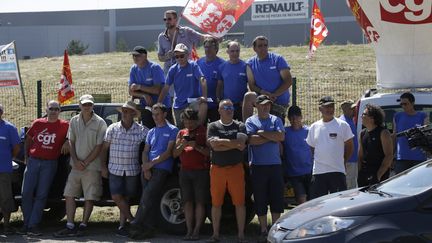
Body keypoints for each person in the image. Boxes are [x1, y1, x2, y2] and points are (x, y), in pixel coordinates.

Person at [54, 94, 107, 238]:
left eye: (89, 104)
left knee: (89, 197)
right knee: (69, 194)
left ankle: (83, 225)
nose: (87, 107)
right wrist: (76, 160)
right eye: (84, 104)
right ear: (80, 105)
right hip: (76, 166)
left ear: (93, 106)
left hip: (92, 167)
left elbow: (99, 146)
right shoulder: (74, 120)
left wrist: (85, 162)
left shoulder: (100, 122)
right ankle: (70, 225)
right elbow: (71, 141)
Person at [128, 103, 178, 240]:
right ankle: (149, 228)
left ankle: (136, 223)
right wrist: (145, 166)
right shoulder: (151, 132)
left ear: (165, 114)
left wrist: (150, 164)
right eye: (153, 115)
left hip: (162, 168)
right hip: (148, 167)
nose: (155, 117)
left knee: (148, 195)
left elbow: (168, 153)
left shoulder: (173, 130)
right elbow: (145, 151)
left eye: (158, 114)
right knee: (149, 197)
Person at [100, 101, 148, 237]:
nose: (125, 113)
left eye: (128, 111)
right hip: (114, 168)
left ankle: (122, 226)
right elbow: (104, 149)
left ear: (133, 113)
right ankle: (133, 221)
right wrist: (103, 166)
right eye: (124, 111)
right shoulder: (112, 128)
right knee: (116, 196)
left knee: (126, 198)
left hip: (132, 169)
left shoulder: (142, 130)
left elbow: (152, 141)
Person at [21, 100, 69, 236]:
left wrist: (67, 141)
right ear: (46, 110)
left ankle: (33, 225)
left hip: (50, 163)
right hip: (33, 161)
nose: (54, 111)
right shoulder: (38, 123)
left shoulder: (65, 125)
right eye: (51, 108)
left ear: (60, 111)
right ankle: (26, 223)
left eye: (56, 109)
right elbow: (28, 139)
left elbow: (73, 136)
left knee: (42, 195)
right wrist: (26, 156)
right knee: (26, 193)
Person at [245, 95, 285, 242]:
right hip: (258, 166)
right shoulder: (250, 121)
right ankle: (263, 229)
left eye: (268, 104)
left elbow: (281, 137)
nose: (265, 107)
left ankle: (274, 228)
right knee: (260, 198)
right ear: (256, 105)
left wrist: (262, 133)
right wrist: (271, 136)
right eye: (262, 104)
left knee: (276, 198)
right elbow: (252, 140)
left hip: (275, 165)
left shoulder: (276, 120)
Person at [207, 99, 248, 243]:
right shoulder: (212, 126)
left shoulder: (240, 126)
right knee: (216, 203)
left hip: (236, 169)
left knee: (240, 203)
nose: (229, 109)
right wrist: (233, 144)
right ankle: (215, 234)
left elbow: (242, 145)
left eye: (230, 107)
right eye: (225, 107)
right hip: (217, 170)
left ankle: (241, 235)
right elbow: (214, 147)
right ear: (219, 110)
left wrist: (222, 141)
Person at [306, 96, 354, 199]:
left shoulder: (342, 125)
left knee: (338, 204)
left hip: (337, 171)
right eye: (326, 107)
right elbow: (312, 147)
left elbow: (350, 146)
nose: (329, 109)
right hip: (319, 172)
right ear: (320, 109)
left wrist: (343, 160)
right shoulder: (314, 127)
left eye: (332, 106)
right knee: (317, 205)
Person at [173, 108, 210, 241]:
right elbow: (175, 153)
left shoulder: (204, 131)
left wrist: (197, 146)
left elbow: (210, 153)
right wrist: (182, 145)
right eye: (186, 122)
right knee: (187, 202)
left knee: (200, 202)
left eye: (191, 122)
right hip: (185, 172)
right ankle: (189, 231)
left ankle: (196, 231)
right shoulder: (181, 133)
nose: (189, 125)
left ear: (196, 120)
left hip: (201, 171)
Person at [243, 36, 293, 123]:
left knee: (274, 128)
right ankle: (246, 127)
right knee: (249, 96)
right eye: (260, 46)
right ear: (254, 48)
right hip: (262, 99)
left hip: (278, 101)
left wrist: (274, 95)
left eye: (265, 45)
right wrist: (262, 92)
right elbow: (252, 85)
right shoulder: (250, 63)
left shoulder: (278, 59)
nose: (263, 48)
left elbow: (288, 81)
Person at [158, 43, 208, 128]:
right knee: (181, 129)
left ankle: (199, 130)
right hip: (179, 105)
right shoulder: (173, 69)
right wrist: (159, 103)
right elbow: (166, 87)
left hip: (192, 103)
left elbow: (202, 79)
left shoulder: (193, 66)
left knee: (203, 105)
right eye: (176, 56)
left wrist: (204, 96)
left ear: (188, 55)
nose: (179, 58)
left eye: (181, 56)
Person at [128, 46, 172, 128]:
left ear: (145, 56)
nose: (134, 57)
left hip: (162, 107)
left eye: (137, 55)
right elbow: (130, 91)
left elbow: (157, 90)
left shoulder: (155, 68)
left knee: (165, 132)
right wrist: (144, 95)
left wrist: (139, 87)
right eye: (133, 56)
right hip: (146, 107)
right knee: (148, 133)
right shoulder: (133, 69)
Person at [157, 9, 210, 74]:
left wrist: (216, 37)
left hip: (187, 70)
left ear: (176, 20)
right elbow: (160, 58)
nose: (167, 21)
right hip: (169, 72)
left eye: (169, 19)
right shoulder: (161, 37)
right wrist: (167, 56)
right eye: (165, 19)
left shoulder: (186, 32)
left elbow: (202, 37)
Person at [282, 105, 312, 204]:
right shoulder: (285, 132)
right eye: (292, 118)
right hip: (294, 173)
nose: (294, 120)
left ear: (301, 117)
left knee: (312, 200)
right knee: (301, 199)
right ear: (289, 119)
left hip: (309, 172)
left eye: (296, 117)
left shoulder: (308, 131)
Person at [393, 92, 429, 174]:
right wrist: (391, 156)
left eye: (405, 104)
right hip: (401, 158)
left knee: (419, 185)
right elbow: (394, 136)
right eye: (401, 104)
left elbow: (427, 135)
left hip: (419, 158)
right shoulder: (397, 116)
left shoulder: (422, 116)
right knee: (400, 184)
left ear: (413, 103)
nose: (403, 106)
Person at [358, 104, 393, 187]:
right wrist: (359, 172)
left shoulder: (383, 133)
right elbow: (360, 156)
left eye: (363, 114)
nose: (361, 116)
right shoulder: (362, 133)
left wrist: (378, 176)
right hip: (364, 175)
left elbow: (389, 156)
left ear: (372, 118)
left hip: (379, 176)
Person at [0, 104, 20, 235]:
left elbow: (17, 147)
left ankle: (6, 226)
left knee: (5, 197)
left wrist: (9, 158)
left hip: (3, 170)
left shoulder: (9, 128)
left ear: (2, 112)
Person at [216, 41, 248, 121]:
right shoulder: (222, 67)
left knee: (242, 129)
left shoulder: (245, 66)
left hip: (241, 105)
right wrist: (219, 100)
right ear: (227, 52)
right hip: (227, 106)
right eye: (232, 51)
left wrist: (245, 101)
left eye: (237, 51)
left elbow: (251, 85)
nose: (235, 53)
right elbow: (219, 86)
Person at [197, 37, 225, 123]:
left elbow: (223, 84)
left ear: (216, 48)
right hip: (201, 103)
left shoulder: (222, 64)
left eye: (210, 47)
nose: (207, 49)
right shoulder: (198, 62)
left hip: (215, 104)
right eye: (206, 47)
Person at [339, 100, 359, 189]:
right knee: (349, 188)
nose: (354, 110)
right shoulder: (343, 123)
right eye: (352, 109)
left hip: (352, 160)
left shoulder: (350, 120)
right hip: (348, 161)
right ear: (345, 110)